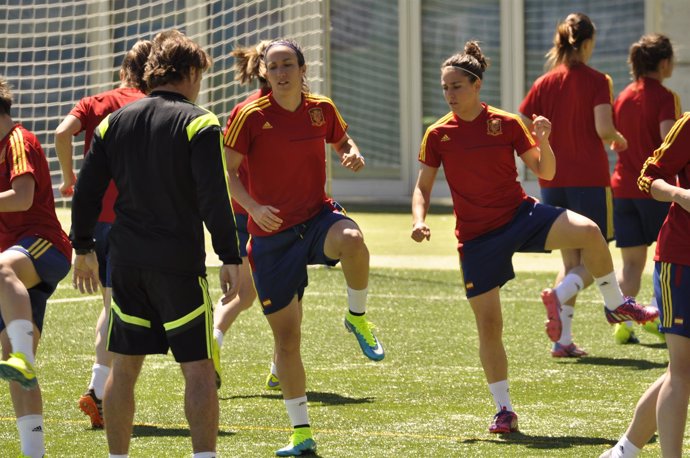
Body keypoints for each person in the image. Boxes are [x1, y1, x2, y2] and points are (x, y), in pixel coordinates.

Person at [411, 41, 657, 435]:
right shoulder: (438, 134)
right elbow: (422, 187)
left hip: (520, 215)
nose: (450, 94)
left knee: (590, 231)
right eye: (445, 87)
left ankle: (616, 304)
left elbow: (546, 172)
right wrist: (419, 219)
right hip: (476, 238)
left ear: (476, 85)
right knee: (490, 326)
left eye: (457, 86)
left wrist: (543, 139)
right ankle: (504, 410)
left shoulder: (507, 123)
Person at [70, 29, 241, 457]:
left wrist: (83, 248)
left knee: (124, 369)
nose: (200, 83)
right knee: (198, 370)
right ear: (186, 72)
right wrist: (230, 255)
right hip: (177, 265)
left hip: (126, 265)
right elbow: (213, 197)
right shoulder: (200, 121)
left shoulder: (114, 121)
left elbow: (87, 191)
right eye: (199, 74)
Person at [224, 38, 384, 456]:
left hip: (316, 219)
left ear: (301, 68)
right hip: (271, 237)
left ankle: (358, 317)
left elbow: (343, 142)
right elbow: (228, 172)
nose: (280, 72)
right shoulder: (248, 115)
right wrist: (254, 208)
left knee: (352, 239)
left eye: (287, 64)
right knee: (288, 340)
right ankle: (301, 434)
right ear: (263, 72)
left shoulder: (323, 108)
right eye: (272, 66)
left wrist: (352, 153)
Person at [55, 38, 152, 428]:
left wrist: (68, 178)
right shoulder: (151, 107)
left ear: (121, 71)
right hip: (135, 221)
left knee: (111, 307)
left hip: (94, 221)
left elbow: (62, 133)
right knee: (130, 310)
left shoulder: (96, 102)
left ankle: (98, 388)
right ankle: (99, 392)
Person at [520, 13, 629, 357]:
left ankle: (562, 341)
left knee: (570, 261)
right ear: (586, 44)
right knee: (596, 253)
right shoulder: (599, 80)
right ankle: (559, 295)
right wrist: (618, 138)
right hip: (589, 178)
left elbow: (521, 123)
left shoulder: (543, 82)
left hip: (553, 179)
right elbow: (602, 127)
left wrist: (538, 149)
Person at [601, 112, 690, 457]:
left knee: (680, 371)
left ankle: (624, 451)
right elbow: (649, 177)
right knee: (681, 370)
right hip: (682, 260)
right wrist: (680, 195)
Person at [0, 76, 72, 458]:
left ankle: (23, 355)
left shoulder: (18, 140)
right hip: (14, 267)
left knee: (1, 269)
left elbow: (22, 197)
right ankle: (34, 453)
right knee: (15, 365)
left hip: (44, 249)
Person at [213, 40, 278, 391]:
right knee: (287, 295)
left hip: (239, 212)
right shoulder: (279, 110)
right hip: (275, 215)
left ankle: (214, 339)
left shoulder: (239, 110)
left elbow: (227, 168)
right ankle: (281, 369)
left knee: (243, 293)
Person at [610, 33, 680, 345]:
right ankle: (667, 321)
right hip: (656, 190)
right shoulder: (666, 98)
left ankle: (623, 324)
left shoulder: (623, 96)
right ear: (664, 63)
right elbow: (671, 145)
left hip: (623, 187)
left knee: (630, 265)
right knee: (668, 259)